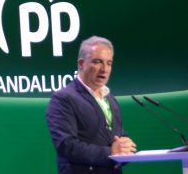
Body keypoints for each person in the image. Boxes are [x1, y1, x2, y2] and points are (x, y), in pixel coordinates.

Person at [46, 36, 136, 174]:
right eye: (97, 62)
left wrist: (125, 146)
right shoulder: (63, 98)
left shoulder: (110, 99)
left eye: (109, 63)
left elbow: (116, 136)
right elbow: (66, 145)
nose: (104, 69)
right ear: (81, 64)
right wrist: (111, 152)